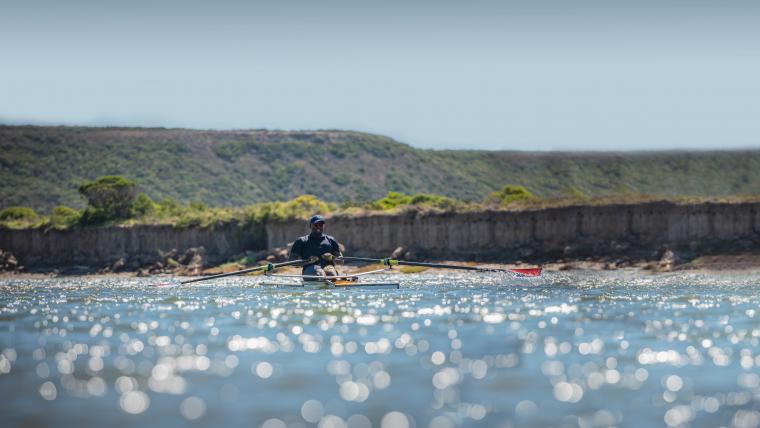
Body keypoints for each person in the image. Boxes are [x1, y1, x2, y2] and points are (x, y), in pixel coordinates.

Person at [288, 214, 343, 280]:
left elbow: (341, 261)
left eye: (320, 225)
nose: (318, 227)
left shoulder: (331, 240)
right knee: (320, 273)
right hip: (310, 269)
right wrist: (307, 261)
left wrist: (332, 257)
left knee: (331, 273)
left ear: (323, 226)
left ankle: (332, 280)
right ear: (310, 226)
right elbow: (291, 261)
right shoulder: (301, 241)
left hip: (328, 267)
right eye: (316, 225)